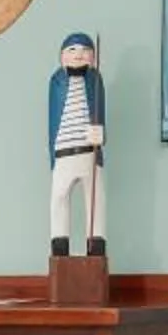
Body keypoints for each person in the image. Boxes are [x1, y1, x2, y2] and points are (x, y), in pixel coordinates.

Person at [46, 30, 105, 258]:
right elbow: (52, 119)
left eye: (85, 50)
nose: (79, 55)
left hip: (90, 152)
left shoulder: (95, 81)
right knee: (59, 199)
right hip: (63, 152)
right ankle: (60, 252)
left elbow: (100, 112)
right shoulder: (56, 82)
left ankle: (96, 252)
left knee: (96, 203)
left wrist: (100, 134)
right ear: (62, 57)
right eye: (72, 50)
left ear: (94, 58)